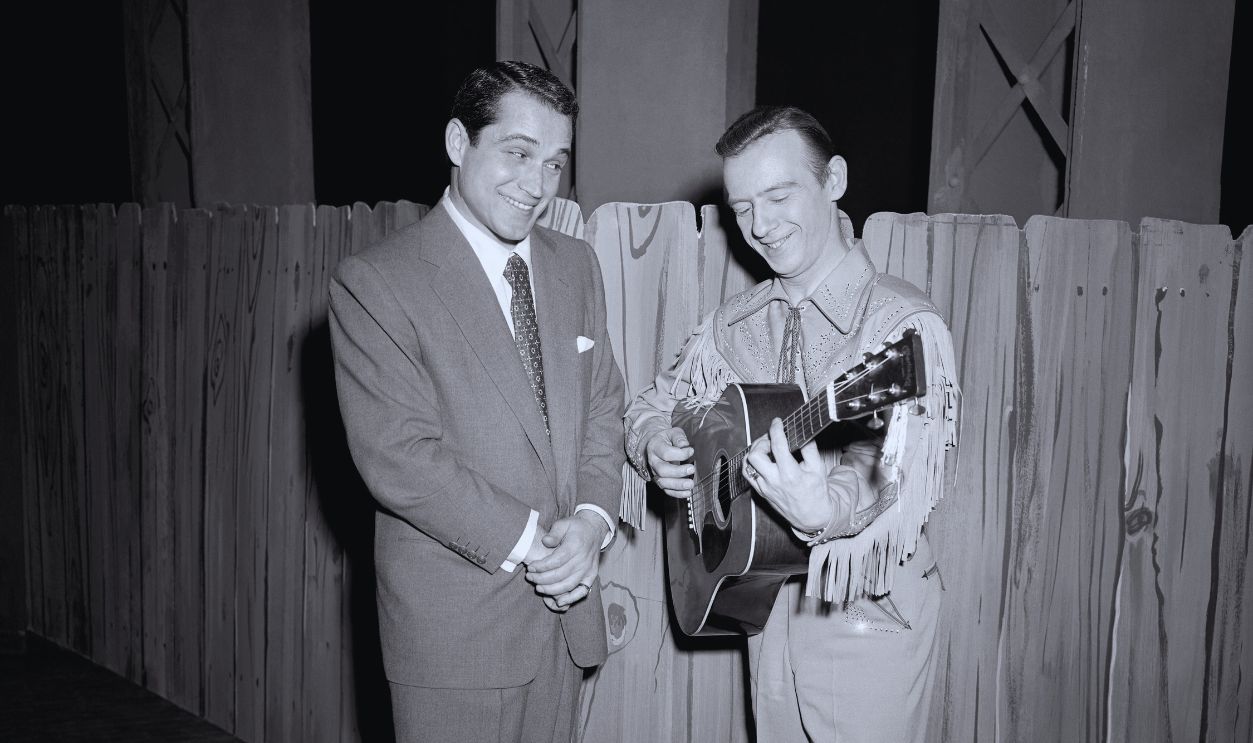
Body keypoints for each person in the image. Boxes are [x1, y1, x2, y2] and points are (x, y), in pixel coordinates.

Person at [623, 106, 960, 742]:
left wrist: (826, 509)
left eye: (779, 195)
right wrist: (653, 444)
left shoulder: (901, 324)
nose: (761, 225)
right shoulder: (733, 326)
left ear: (834, 181)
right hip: (767, 610)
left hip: (869, 622)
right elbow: (653, 403)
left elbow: (889, 466)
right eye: (742, 206)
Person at [328, 61, 625, 743]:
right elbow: (399, 457)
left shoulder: (574, 265)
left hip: (564, 617)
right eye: (517, 154)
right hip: (455, 635)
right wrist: (537, 545)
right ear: (459, 143)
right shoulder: (378, 283)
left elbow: (603, 406)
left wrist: (588, 522)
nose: (537, 186)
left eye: (555, 164)